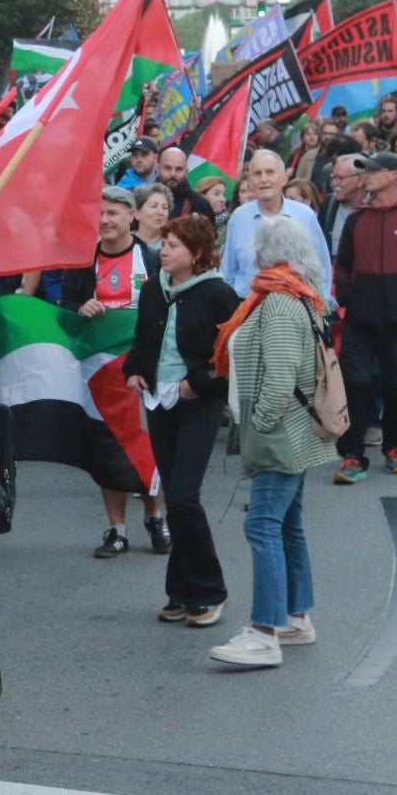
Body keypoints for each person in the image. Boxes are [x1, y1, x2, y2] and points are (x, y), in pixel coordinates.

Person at [206, 215, 335, 669]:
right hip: (297, 431)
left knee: (262, 525)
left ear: (266, 251)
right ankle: (294, 619)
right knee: (286, 525)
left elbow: (279, 379)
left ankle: (263, 633)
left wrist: (256, 424)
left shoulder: (277, 302)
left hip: (280, 434)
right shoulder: (300, 295)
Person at [125, 217, 239, 628]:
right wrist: (134, 371)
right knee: (174, 497)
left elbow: (229, 353)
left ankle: (210, 591)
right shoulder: (155, 287)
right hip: (159, 400)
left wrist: (200, 384)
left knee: (185, 496)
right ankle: (181, 590)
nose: (165, 250)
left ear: (196, 253)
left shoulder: (218, 293)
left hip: (197, 403)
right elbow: (143, 338)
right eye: (165, 243)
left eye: (173, 245)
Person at [53, 187, 169, 559]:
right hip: (98, 375)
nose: (104, 220)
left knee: (146, 445)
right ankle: (117, 529)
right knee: (106, 448)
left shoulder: (150, 259)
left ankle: (155, 518)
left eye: (113, 213)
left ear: (131, 216)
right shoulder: (83, 263)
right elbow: (64, 313)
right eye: (100, 213)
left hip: (142, 370)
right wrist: (77, 307)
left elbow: (167, 308)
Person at [331, 151, 397, 482]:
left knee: (395, 386)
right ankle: (353, 454)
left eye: (372, 171)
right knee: (356, 385)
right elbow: (342, 266)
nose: (366, 176)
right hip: (359, 320)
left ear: (392, 175)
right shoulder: (356, 219)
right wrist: (348, 296)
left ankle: (394, 447)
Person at [220, 150, 334, 304]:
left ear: (284, 179)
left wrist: (320, 305)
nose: (264, 179)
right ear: (250, 182)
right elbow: (228, 271)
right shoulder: (239, 217)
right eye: (257, 174)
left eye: (270, 172)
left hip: (295, 309)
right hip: (247, 308)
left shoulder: (305, 215)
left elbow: (322, 269)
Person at [320, 154, 367, 254]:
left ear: (360, 180)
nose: (334, 184)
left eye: (340, 178)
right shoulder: (329, 204)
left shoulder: (378, 205)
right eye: (333, 178)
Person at [156, 146, 216, 219]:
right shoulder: (144, 199)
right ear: (158, 169)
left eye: (179, 169)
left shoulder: (200, 204)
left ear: (186, 171)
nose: (173, 174)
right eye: (167, 168)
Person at [132, 181, 172, 249]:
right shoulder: (123, 241)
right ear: (136, 213)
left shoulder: (171, 244)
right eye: (154, 206)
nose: (160, 212)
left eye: (165, 207)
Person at [289, 122, 324, 188]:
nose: (312, 137)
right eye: (308, 134)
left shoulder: (321, 153)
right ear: (302, 138)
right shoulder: (296, 155)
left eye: (315, 134)